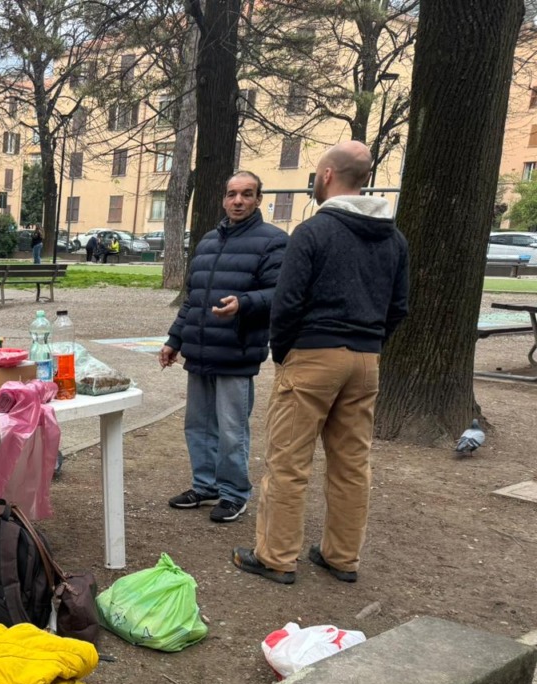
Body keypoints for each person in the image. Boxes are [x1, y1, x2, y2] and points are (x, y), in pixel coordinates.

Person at [233, 141, 408, 584]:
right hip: (366, 359)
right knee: (352, 463)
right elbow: (399, 307)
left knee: (288, 462)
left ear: (328, 174)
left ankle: (276, 556)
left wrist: (286, 352)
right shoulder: (394, 237)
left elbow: (287, 302)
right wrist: (370, 343)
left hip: (313, 355)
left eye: (315, 172)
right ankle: (342, 556)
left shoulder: (313, 232)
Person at [160, 171, 288, 523]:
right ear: (223, 199)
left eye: (247, 194)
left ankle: (234, 493)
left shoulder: (274, 242)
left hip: (237, 352)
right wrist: (175, 340)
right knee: (198, 426)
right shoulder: (207, 242)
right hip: (200, 351)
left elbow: (281, 294)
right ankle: (205, 485)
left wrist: (244, 303)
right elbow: (193, 299)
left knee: (232, 430)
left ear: (259, 199)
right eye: (232, 194)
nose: (238, 201)